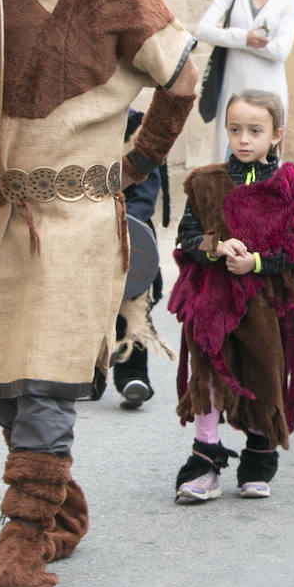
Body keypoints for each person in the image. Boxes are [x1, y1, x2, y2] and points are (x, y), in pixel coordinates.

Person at [0, 0, 198, 587]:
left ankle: (20, 545)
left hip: (76, 219)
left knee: (45, 384)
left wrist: (138, 162)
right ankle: (63, 509)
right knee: (4, 385)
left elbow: (182, 78)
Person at [168, 90, 294, 501]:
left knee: (261, 371)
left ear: (276, 134)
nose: (243, 139)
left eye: (255, 131)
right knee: (206, 375)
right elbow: (186, 239)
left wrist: (256, 263)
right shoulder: (205, 183)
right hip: (212, 302)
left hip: (265, 302)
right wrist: (217, 248)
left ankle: (258, 454)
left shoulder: (286, 187)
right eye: (235, 129)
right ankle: (205, 457)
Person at [194, 0, 294, 162]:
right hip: (233, 87)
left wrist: (234, 38)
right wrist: (245, 38)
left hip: (270, 88)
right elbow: (203, 29)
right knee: (228, 156)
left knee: (267, 160)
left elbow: (281, 50)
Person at [107, 108, 175, 410]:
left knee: (132, 304)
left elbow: (146, 194)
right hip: (81, 231)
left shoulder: (141, 129)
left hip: (129, 234)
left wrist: (120, 224)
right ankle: (86, 375)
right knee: (81, 306)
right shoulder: (79, 122)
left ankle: (133, 374)